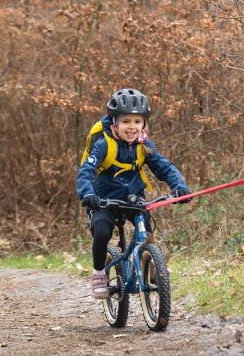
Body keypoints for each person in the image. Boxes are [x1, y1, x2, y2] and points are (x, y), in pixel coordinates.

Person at [76, 88, 190, 299]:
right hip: (103, 199)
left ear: (144, 124)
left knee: (145, 229)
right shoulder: (104, 145)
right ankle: (99, 273)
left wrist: (179, 187)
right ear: (114, 123)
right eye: (126, 121)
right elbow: (85, 173)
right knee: (101, 232)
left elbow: (164, 167)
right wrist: (87, 193)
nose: (132, 127)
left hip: (133, 197)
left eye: (137, 122)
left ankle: (153, 264)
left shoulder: (144, 145)